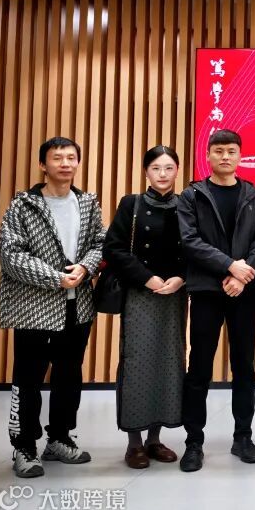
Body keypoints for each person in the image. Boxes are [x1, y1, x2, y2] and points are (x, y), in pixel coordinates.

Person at [0, 137, 105, 478]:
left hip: (78, 306)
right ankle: (24, 446)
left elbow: (101, 242)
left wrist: (85, 267)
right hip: (35, 306)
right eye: (57, 158)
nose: (65, 163)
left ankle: (59, 438)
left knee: (69, 374)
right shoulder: (23, 205)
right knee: (28, 377)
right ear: (43, 165)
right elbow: (11, 255)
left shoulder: (87, 203)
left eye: (71, 157)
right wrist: (56, 278)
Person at [177, 129, 255, 472]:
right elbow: (189, 241)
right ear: (208, 155)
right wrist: (230, 266)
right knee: (199, 365)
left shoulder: (254, 194)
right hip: (206, 289)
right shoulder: (192, 195)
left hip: (243, 290)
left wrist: (242, 275)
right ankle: (193, 442)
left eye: (231, 151)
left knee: (244, 365)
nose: (225, 156)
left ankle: (243, 436)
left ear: (240, 155)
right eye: (219, 151)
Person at [103, 145, 187, 469]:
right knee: (137, 362)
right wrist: (147, 278)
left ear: (177, 170)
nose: (162, 174)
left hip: (174, 293)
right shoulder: (132, 204)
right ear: (146, 172)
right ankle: (134, 443)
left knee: (168, 362)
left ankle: (155, 438)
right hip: (140, 293)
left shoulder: (187, 204)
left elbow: (195, 248)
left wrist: (181, 277)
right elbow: (114, 248)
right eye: (156, 168)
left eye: (168, 168)